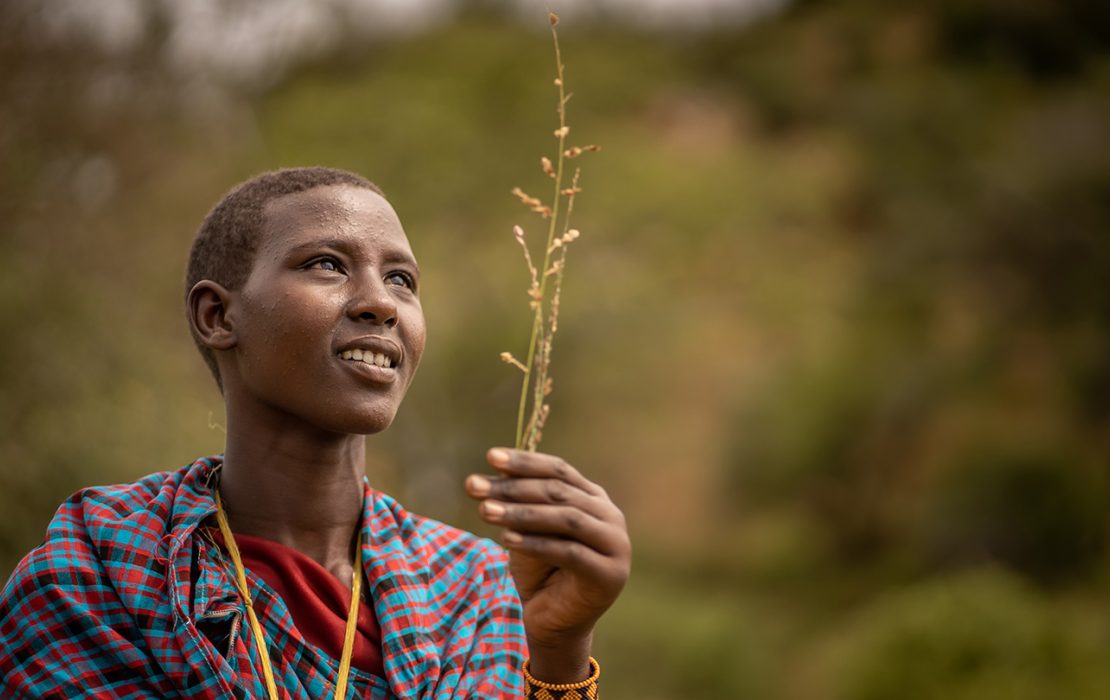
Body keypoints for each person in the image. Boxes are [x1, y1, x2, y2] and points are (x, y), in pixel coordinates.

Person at [0, 167, 631, 699]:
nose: (380, 303)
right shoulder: (101, 567)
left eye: (401, 280)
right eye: (328, 265)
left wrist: (559, 648)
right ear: (218, 315)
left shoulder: (470, 587)